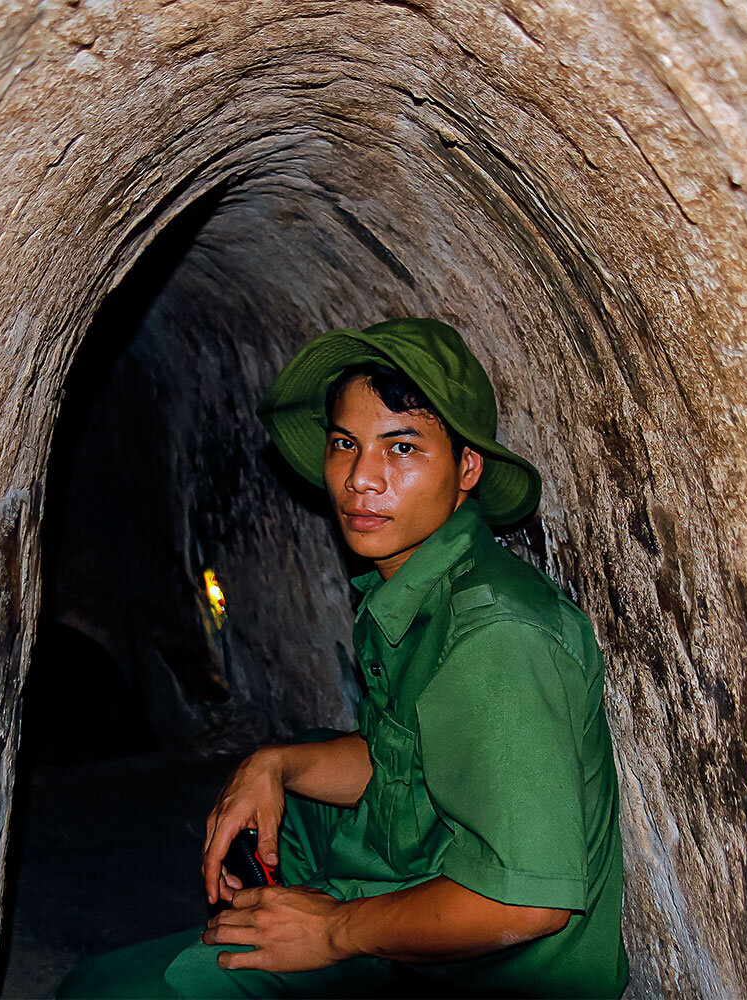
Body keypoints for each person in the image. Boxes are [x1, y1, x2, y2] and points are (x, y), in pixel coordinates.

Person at [56, 317, 629, 999]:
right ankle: (273, 929)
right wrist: (269, 763)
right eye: (344, 445)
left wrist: (334, 931)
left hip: (487, 971)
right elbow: (404, 764)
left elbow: (525, 904)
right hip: (418, 886)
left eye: (403, 447)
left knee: (103, 991)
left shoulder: (496, 636)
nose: (361, 479)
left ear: (467, 468)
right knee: (288, 788)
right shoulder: (416, 584)